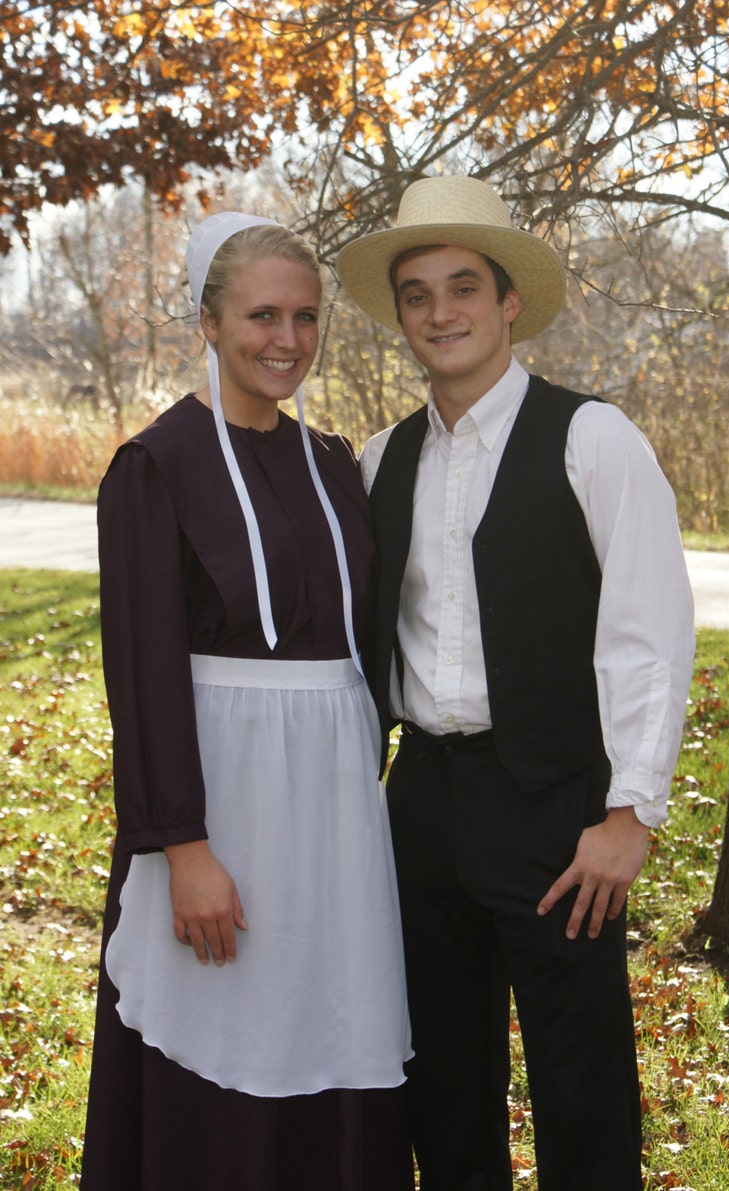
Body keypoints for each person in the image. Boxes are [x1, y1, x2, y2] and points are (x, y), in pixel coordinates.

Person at [335, 176, 696, 1191]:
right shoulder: (379, 461)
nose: (440, 311)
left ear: (507, 303)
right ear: (400, 316)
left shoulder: (592, 439)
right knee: (442, 1083)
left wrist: (629, 814)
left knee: (581, 1083)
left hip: (552, 804)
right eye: (417, 294)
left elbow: (648, 633)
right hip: (420, 803)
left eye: (463, 287)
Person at [81, 212, 414, 1191]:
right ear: (210, 321)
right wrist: (182, 847)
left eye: (305, 317)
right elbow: (140, 672)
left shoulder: (334, 463)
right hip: (219, 807)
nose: (287, 339)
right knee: (222, 1024)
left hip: (334, 813)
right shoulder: (157, 466)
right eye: (262, 315)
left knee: (330, 1016)